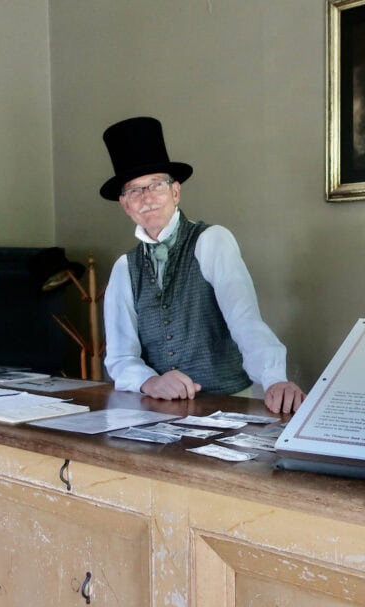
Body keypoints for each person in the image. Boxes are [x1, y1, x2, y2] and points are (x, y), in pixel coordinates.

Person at [98, 116, 306, 414]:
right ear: (125, 204)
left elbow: (245, 321)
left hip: (228, 405)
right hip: (157, 414)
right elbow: (119, 358)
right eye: (135, 190)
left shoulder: (212, 241)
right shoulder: (124, 268)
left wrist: (275, 379)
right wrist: (150, 382)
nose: (147, 198)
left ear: (175, 191)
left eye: (156, 185)